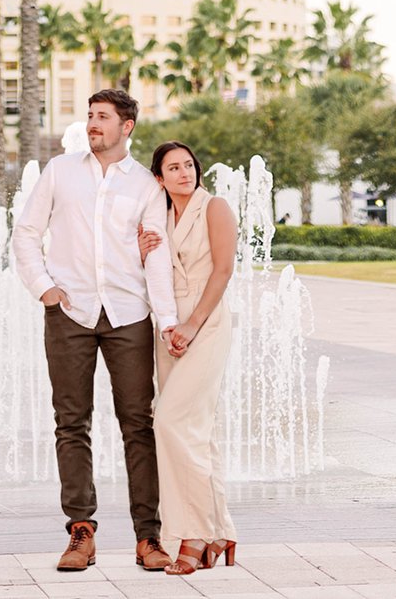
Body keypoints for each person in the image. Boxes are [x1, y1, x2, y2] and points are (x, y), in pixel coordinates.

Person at [12, 88, 179, 573]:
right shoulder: (60, 171)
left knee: (138, 425)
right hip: (70, 314)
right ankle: (80, 531)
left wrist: (166, 320)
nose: (92, 124)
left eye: (102, 117)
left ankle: (149, 537)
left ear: (127, 126)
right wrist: (44, 288)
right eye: (89, 116)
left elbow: (157, 256)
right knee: (71, 422)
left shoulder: (147, 187)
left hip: (129, 315)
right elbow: (25, 233)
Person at [137, 141, 238, 575]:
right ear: (158, 178)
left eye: (189, 165)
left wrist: (193, 324)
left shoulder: (214, 207)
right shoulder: (156, 217)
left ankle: (193, 535)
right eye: (173, 168)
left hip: (206, 321)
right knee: (198, 431)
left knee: (171, 421)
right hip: (168, 328)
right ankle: (220, 534)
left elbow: (223, 270)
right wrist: (140, 253)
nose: (184, 173)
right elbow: (152, 272)